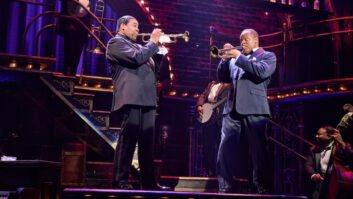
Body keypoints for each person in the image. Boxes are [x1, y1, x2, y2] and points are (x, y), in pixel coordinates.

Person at [106, 15, 170, 191]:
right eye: (134, 26)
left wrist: (158, 53)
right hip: (131, 97)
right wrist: (152, 42)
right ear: (122, 27)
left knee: (147, 144)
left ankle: (149, 183)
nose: (137, 29)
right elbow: (135, 59)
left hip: (148, 99)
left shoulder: (140, 46)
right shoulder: (115, 43)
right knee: (128, 140)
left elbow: (152, 68)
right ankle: (120, 181)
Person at [216, 28, 277, 193]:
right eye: (241, 39)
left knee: (258, 151)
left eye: (245, 39)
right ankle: (224, 187)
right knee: (225, 148)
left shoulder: (268, 56)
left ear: (255, 40)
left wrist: (237, 56)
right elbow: (223, 78)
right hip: (232, 108)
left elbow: (261, 72)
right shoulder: (237, 59)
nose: (242, 43)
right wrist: (224, 60)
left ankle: (261, 187)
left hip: (254, 108)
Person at [305, 126, 353, 199]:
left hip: (337, 183)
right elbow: (308, 164)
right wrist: (313, 175)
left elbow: (351, 157)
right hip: (319, 184)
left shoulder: (342, 146)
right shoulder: (313, 149)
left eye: (319, 134)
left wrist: (342, 143)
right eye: (316, 134)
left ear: (329, 136)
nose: (316, 136)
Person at [196, 81, 230, 176]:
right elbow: (203, 95)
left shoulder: (230, 85)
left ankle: (222, 172)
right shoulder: (211, 83)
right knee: (207, 147)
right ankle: (209, 171)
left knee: (221, 147)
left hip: (220, 119)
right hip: (208, 118)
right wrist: (199, 105)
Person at [57, 0, 91, 76]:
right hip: (70, 24)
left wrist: (89, 26)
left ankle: (73, 72)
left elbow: (88, 10)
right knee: (69, 49)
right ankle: (67, 71)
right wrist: (69, 23)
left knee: (78, 50)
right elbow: (66, 7)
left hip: (82, 25)